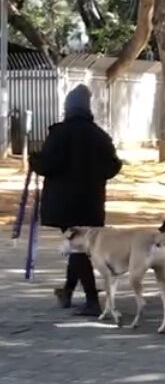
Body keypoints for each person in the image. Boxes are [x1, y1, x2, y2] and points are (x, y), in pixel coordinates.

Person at [30, 85, 123, 317]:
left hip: (65, 203)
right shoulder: (99, 135)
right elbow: (113, 166)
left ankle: (92, 300)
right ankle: (68, 291)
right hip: (91, 202)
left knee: (77, 248)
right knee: (77, 245)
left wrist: (34, 160)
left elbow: (47, 165)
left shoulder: (60, 133)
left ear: (68, 108)